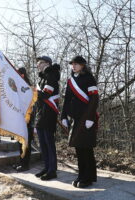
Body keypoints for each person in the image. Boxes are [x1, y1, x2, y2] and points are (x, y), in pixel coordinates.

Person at [61, 55, 99, 188]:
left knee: (86, 149)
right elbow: (67, 100)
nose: (73, 66)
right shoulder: (71, 81)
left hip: (87, 118)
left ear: (82, 65)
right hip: (75, 119)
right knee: (78, 148)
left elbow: (94, 99)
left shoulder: (89, 78)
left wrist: (90, 118)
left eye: (76, 64)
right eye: (72, 64)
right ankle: (81, 175)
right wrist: (63, 116)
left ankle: (88, 177)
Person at [34, 56, 60, 180]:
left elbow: (45, 95)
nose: (38, 65)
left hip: (49, 114)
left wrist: (32, 92)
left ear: (47, 64)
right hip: (41, 114)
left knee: (49, 143)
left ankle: (52, 170)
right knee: (42, 144)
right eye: (37, 63)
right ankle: (46, 167)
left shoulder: (52, 75)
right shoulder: (41, 79)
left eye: (40, 63)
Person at [12, 67, 34, 172]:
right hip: (19, 118)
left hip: (27, 119)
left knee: (25, 143)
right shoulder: (18, 87)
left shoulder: (27, 87)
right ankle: (21, 162)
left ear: (22, 75)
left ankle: (25, 164)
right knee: (19, 143)